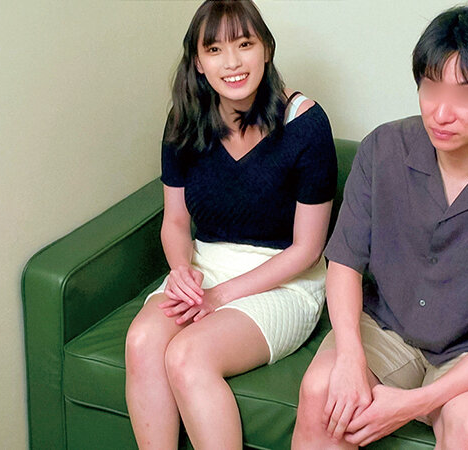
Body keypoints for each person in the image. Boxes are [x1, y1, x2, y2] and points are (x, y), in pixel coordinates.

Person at [292, 6, 468, 449]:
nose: (441, 113)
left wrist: (417, 402)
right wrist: (348, 356)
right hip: (386, 327)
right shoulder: (382, 149)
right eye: (430, 88)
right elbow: (343, 262)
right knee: (321, 391)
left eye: (465, 95)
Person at [124, 1, 337, 448]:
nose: (233, 62)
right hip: (208, 264)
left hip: (285, 279)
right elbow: (175, 221)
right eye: (215, 49)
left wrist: (220, 297)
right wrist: (181, 270)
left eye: (244, 44)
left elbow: (308, 250)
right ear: (199, 62)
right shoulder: (185, 118)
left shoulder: (305, 123)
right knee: (142, 341)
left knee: (188, 356)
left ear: (266, 50)